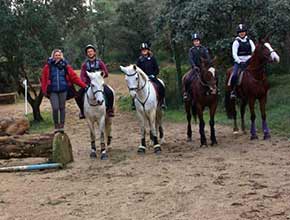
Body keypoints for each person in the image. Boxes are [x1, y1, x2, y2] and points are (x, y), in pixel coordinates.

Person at [41, 49, 87, 133]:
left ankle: (61, 126)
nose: (57, 57)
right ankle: (56, 125)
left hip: (63, 89)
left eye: (59, 55)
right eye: (56, 55)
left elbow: (74, 77)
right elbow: (43, 79)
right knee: (55, 108)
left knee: (62, 108)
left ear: (61, 56)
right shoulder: (48, 66)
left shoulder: (66, 66)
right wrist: (44, 90)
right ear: (53, 56)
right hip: (52, 90)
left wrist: (84, 86)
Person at [76, 44, 115, 118]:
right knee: (78, 95)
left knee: (109, 92)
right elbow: (82, 75)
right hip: (88, 84)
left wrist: (101, 75)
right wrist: (85, 81)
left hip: (99, 84)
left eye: (91, 51)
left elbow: (106, 73)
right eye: (88, 52)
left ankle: (110, 109)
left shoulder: (100, 63)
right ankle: (82, 111)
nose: (90, 53)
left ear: (94, 52)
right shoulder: (84, 65)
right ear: (87, 54)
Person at [183, 33, 213, 101]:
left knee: (212, 75)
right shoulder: (191, 50)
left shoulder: (204, 49)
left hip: (204, 68)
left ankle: (214, 89)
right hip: (195, 68)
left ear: (199, 41)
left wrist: (207, 64)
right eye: (194, 41)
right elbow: (191, 59)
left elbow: (207, 57)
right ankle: (186, 93)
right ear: (193, 42)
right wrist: (194, 66)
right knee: (186, 78)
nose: (196, 42)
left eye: (197, 41)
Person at [136, 42, 165, 109]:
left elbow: (157, 69)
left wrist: (154, 75)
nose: (144, 50)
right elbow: (137, 70)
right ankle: (134, 103)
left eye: (145, 49)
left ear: (148, 50)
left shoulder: (152, 58)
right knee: (135, 89)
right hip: (143, 79)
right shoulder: (139, 60)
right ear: (141, 51)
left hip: (152, 78)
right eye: (143, 50)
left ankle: (162, 102)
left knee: (161, 85)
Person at [230, 23, 255, 99]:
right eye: (240, 32)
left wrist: (251, 58)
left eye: (243, 31)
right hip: (239, 62)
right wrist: (240, 62)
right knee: (234, 75)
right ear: (238, 33)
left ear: (245, 32)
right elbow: (234, 54)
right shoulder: (236, 42)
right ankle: (233, 91)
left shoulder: (250, 41)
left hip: (249, 61)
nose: (242, 33)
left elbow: (254, 50)